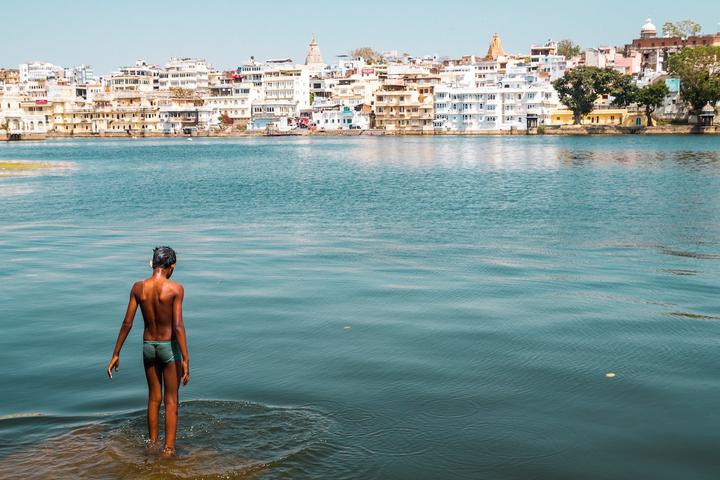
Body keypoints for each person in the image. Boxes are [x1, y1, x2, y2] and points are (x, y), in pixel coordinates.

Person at [107, 246, 190, 456]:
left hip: (148, 348)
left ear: (152, 263)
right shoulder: (175, 289)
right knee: (171, 400)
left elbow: (127, 323)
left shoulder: (138, 287)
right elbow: (178, 326)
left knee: (154, 398)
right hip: (168, 348)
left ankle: (152, 445)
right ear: (172, 266)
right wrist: (186, 359)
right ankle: (168, 450)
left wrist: (116, 353)